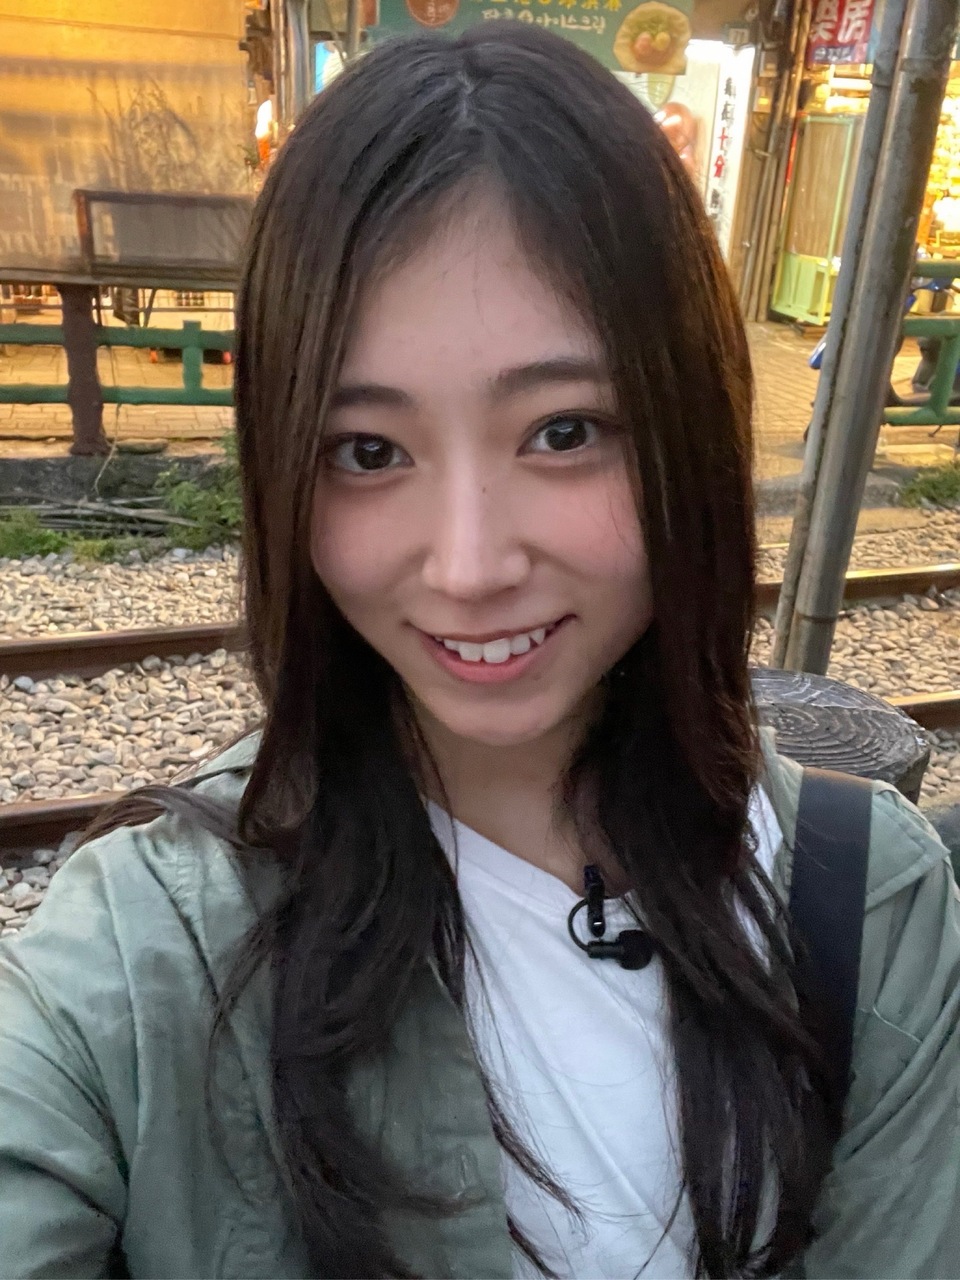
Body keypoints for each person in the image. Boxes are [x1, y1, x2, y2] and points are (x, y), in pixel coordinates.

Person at [1, 25, 959, 1280]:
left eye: (563, 431)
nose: (467, 564)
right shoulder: (147, 944)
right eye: (368, 451)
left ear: (689, 425)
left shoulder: (871, 904)